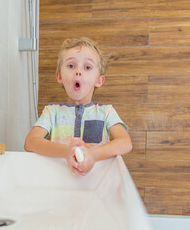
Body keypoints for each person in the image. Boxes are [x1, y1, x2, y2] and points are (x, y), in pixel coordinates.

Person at [24, 37, 132, 176]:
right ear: (59, 76)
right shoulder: (51, 112)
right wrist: (65, 151)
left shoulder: (106, 112)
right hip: (60, 179)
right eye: (71, 66)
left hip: (96, 181)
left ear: (99, 80)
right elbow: (30, 142)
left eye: (87, 67)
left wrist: (92, 155)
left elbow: (125, 143)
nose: (78, 71)